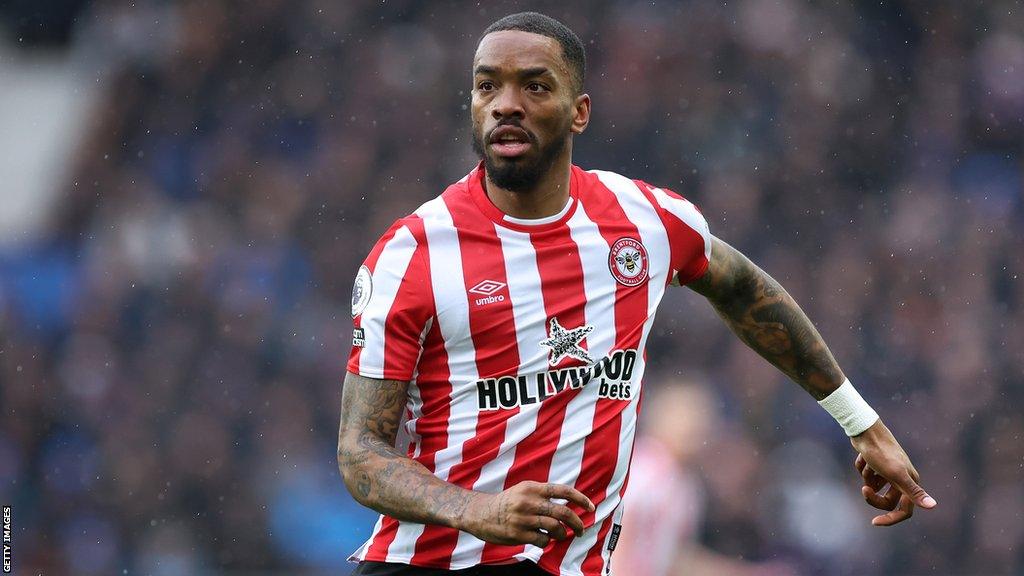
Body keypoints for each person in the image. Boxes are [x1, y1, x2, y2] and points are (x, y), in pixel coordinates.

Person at [337, 11, 936, 576]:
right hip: (427, 565)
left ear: (580, 112)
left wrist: (861, 424)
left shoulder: (644, 222)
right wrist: (479, 510)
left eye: (535, 87)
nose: (506, 106)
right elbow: (361, 453)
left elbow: (746, 289)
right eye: (487, 87)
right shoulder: (413, 253)